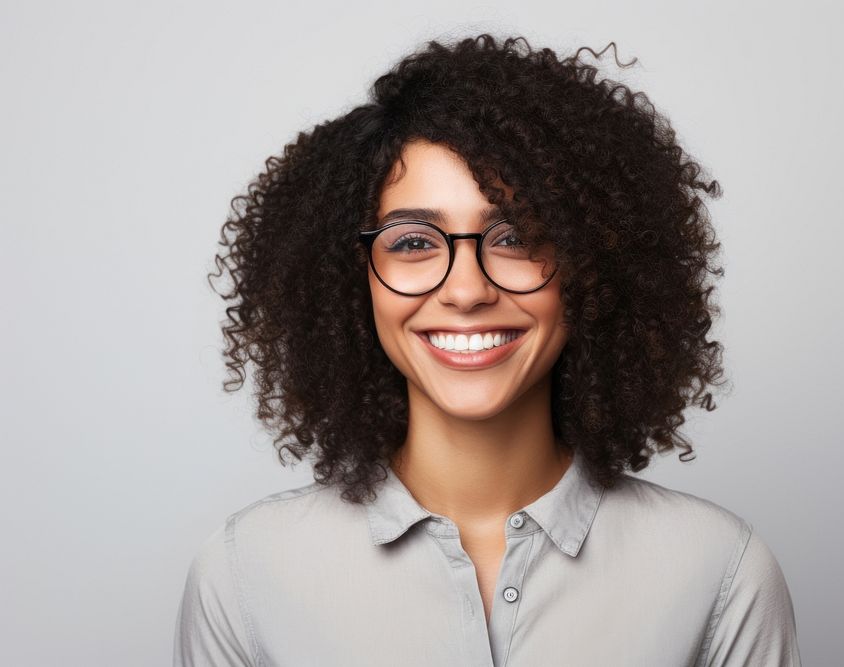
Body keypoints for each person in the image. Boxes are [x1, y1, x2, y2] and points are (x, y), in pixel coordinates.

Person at [174, 33, 801, 666]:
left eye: (517, 237)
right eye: (414, 243)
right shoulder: (246, 577)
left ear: (592, 266)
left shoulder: (720, 575)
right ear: (351, 277)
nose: (467, 290)